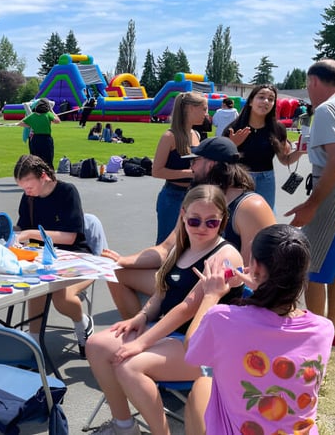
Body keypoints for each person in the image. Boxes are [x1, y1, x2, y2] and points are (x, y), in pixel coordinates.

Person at [87, 185, 243, 435]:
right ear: (183, 215)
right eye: (194, 220)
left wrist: (141, 342)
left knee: (128, 366)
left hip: (206, 346)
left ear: (223, 220)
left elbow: (186, 308)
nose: (201, 227)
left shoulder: (224, 256)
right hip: (174, 337)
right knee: (96, 345)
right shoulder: (181, 247)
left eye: (211, 222)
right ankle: (124, 426)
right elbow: (161, 293)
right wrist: (141, 317)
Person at [185, 224, 334, 435]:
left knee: (202, 385)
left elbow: (192, 349)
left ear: (256, 268)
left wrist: (211, 295)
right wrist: (262, 283)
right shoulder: (323, 330)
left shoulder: (223, 319)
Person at [104, 137, 275, 320]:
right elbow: (166, 249)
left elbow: (249, 275)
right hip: (186, 279)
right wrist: (121, 260)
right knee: (114, 272)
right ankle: (139, 331)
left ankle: (158, 337)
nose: (191, 167)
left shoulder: (251, 207)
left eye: (195, 161)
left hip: (221, 293)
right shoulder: (198, 201)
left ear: (210, 164)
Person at [286, 59, 335, 351]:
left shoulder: (327, 109)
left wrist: (312, 203)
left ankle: (317, 338)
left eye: (307, 84)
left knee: (312, 267)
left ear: (314, 81)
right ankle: (332, 331)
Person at [13, 154, 106, 358]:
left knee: (60, 296)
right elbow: (22, 226)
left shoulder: (67, 192)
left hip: (79, 259)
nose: (26, 192)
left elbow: (70, 237)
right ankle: (34, 343)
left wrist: (28, 234)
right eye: (22, 188)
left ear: (43, 176)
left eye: (29, 186)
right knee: (35, 286)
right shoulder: (29, 197)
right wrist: (10, 232)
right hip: (45, 258)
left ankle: (83, 324)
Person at [224, 84, 303, 210]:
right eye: (261, 97)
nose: (266, 101)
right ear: (251, 101)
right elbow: (220, 161)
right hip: (239, 180)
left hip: (266, 180)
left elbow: (285, 160)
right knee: (235, 218)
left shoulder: (277, 129)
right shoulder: (234, 128)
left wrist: (300, 151)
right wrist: (232, 145)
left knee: (265, 220)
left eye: (271, 99)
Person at [151, 91, 205, 244]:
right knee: (166, 244)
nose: (206, 114)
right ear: (190, 108)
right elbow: (156, 171)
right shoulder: (169, 136)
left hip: (193, 196)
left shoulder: (196, 134)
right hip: (173, 197)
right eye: (203, 109)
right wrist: (190, 174)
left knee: (190, 243)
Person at [18, 97, 60, 169]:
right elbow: (58, 121)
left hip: (35, 139)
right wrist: (52, 111)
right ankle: (49, 176)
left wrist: (32, 125)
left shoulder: (32, 115)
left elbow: (20, 123)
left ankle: (36, 176)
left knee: (35, 159)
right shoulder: (48, 114)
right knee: (48, 159)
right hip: (46, 139)